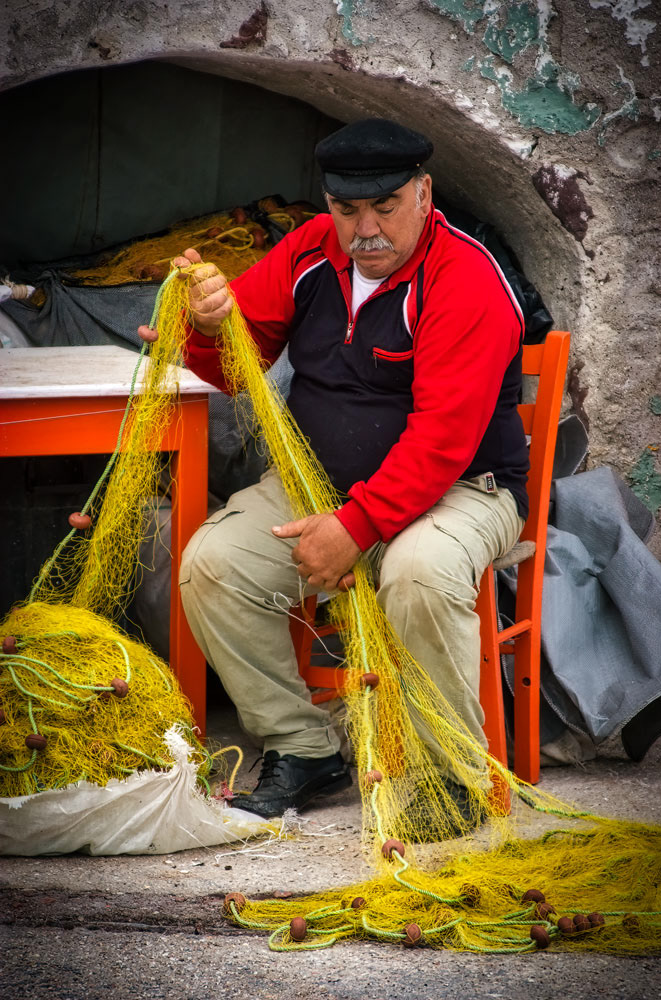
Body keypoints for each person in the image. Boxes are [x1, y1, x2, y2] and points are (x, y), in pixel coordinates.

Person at [139, 118, 528, 820]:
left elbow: (442, 439)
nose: (365, 230)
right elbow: (239, 360)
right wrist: (203, 324)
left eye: (385, 207)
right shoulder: (310, 250)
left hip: (464, 490)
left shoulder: (463, 276)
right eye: (347, 210)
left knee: (417, 572)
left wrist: (358, 525)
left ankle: (449, 777)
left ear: (424, 193)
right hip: (319, 485)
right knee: (213, 565)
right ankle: (304, 749)